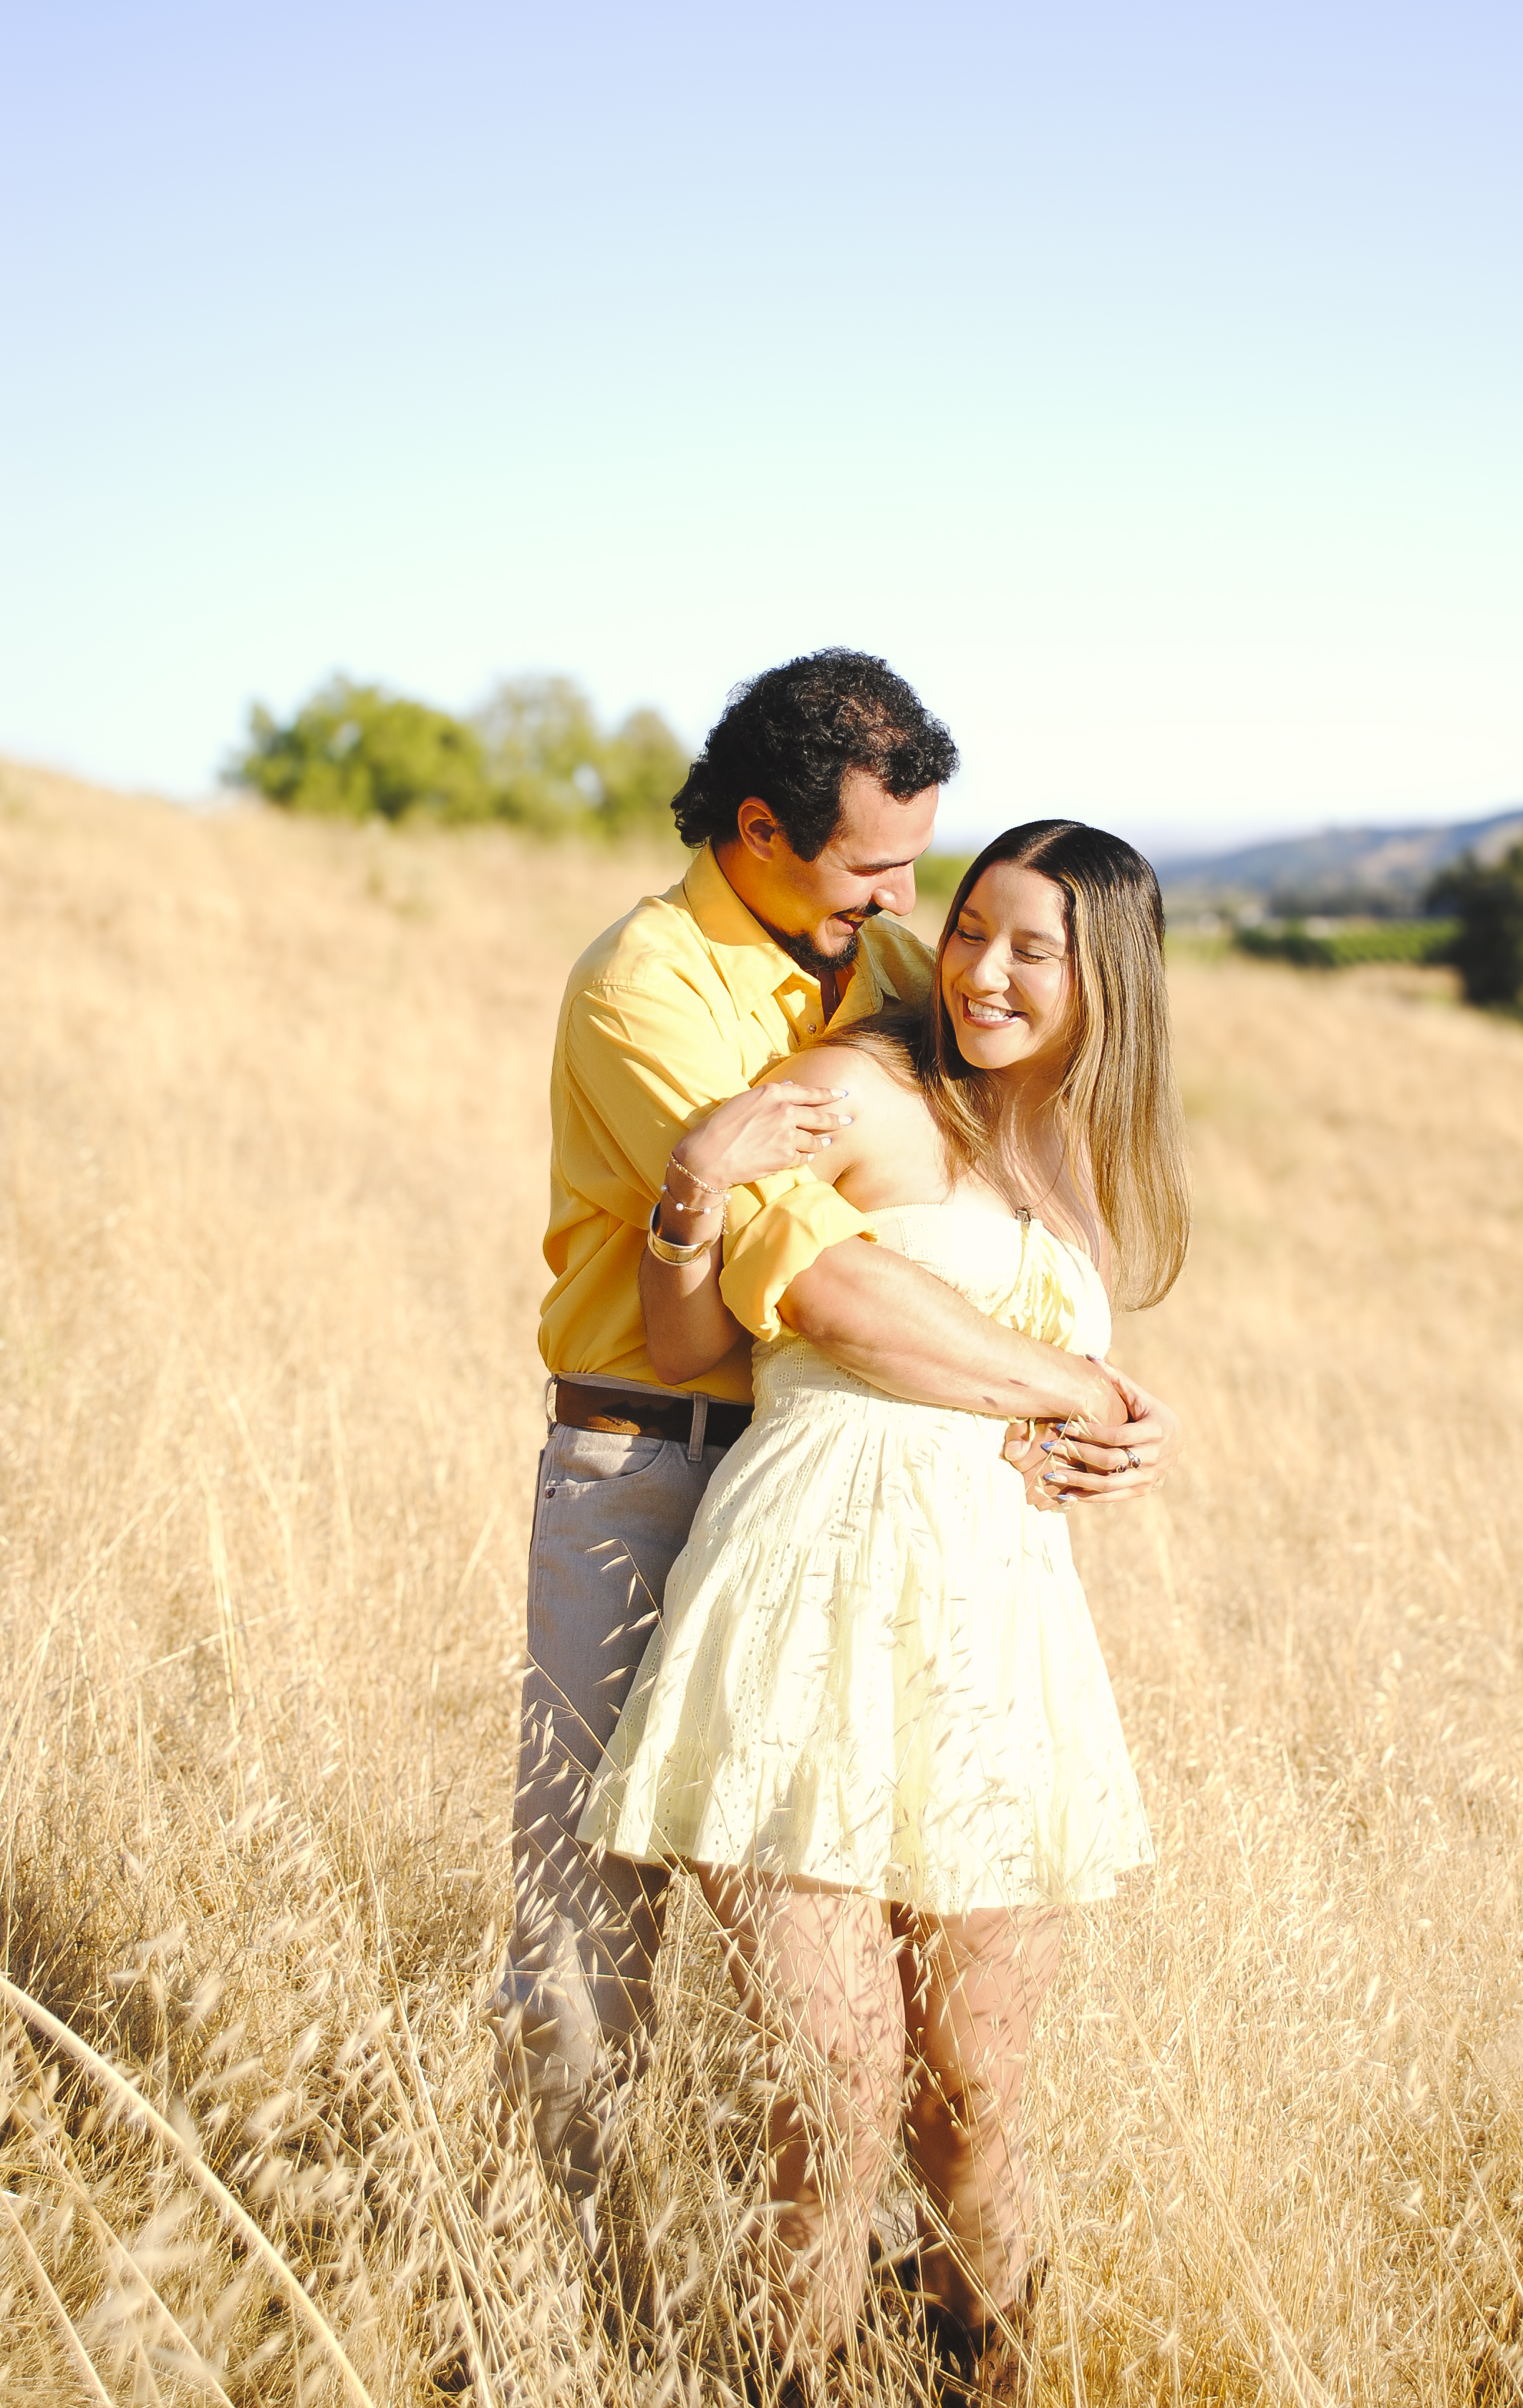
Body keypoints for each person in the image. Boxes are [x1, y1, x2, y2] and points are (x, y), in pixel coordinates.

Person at [491, 655, 1175, 2249]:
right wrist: (1073, 1390)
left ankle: (822, 2265)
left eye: (915, 862)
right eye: (876, 864)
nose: (905, 899)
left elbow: (978, 1212)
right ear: (759, 828)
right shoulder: (645, 985)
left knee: (865, 1952)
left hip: (867, 1492)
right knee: (592, 1916)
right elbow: (821, 1279)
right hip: (657, 1464)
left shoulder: (874, 975)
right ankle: (551, 2278)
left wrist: (1099, 1405)